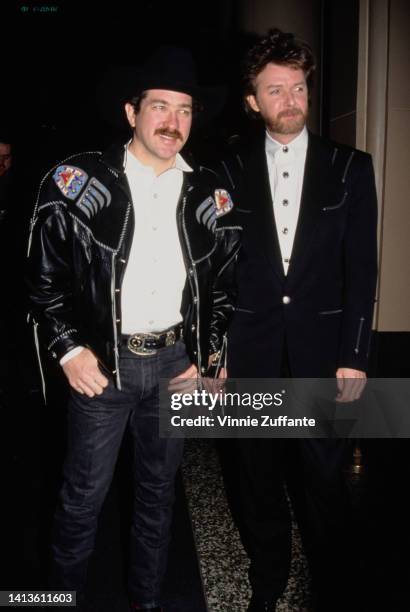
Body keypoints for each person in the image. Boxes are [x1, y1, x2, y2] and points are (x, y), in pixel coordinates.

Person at [26, 47, 241, 612]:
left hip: (175, 365)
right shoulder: (75, 182)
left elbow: (221, 286)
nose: (174, 122)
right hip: (103, 367)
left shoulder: (210, 192)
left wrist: (211, 357)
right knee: (81, 502)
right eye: (160, 107)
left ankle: (145, 601)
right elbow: (41, 278)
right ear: (131, 113)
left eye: (185, 110)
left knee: (157, 497)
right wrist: (69, 349)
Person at [219, 29, 378, 611]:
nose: (290, 100)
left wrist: (355, 353)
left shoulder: (351, 168)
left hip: (324, 351)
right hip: (248, 350)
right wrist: (217, 350)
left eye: (299, 88)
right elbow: (216, 268)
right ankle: (267, 577)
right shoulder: (227, 169)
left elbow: (363, 268)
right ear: (252, 101)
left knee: (324, 480)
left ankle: (333, 584)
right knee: (254, 477)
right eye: (275, 89)